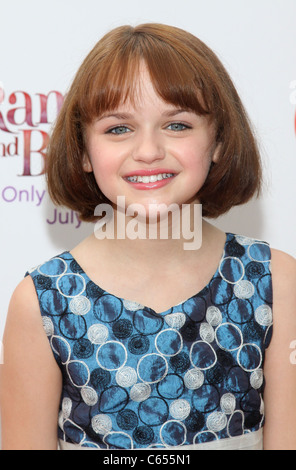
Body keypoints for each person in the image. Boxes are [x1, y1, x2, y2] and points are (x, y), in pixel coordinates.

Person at [1, 23, 295, 451]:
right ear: (83, 150)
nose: (148, 150)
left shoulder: (276, 282)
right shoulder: (42, 302)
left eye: (177, 125)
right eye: (119, 129)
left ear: (218, 140)